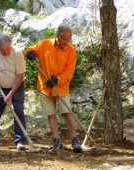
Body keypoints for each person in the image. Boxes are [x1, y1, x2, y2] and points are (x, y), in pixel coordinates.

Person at [24, 24, 82, 153]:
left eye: (69, 39)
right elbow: (28, 50)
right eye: (65, 39)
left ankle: (74, 140)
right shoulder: (44, 44)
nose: (67, 42)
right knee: (51, 114)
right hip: (45, 87)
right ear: (58, 36)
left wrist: (57, 80)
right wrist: (29, 53)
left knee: (67, 113)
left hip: (61, 88)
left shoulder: (71, 51)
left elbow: (69, 72)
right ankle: (56, 141)